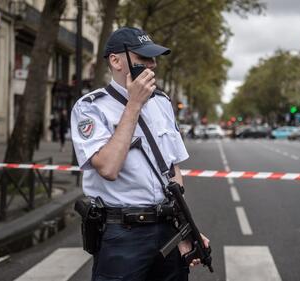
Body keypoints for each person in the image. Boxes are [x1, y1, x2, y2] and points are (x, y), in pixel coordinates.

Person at [71, 27, 209, 281]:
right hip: (122, 235)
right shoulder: (91, 107)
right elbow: (108, 168)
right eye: (143, 59)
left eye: (154, 58)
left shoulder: (162, 102)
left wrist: (185, 228)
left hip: (168, 229)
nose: (153, 64)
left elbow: (174, 173)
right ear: (116, 60)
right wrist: (134, 104)